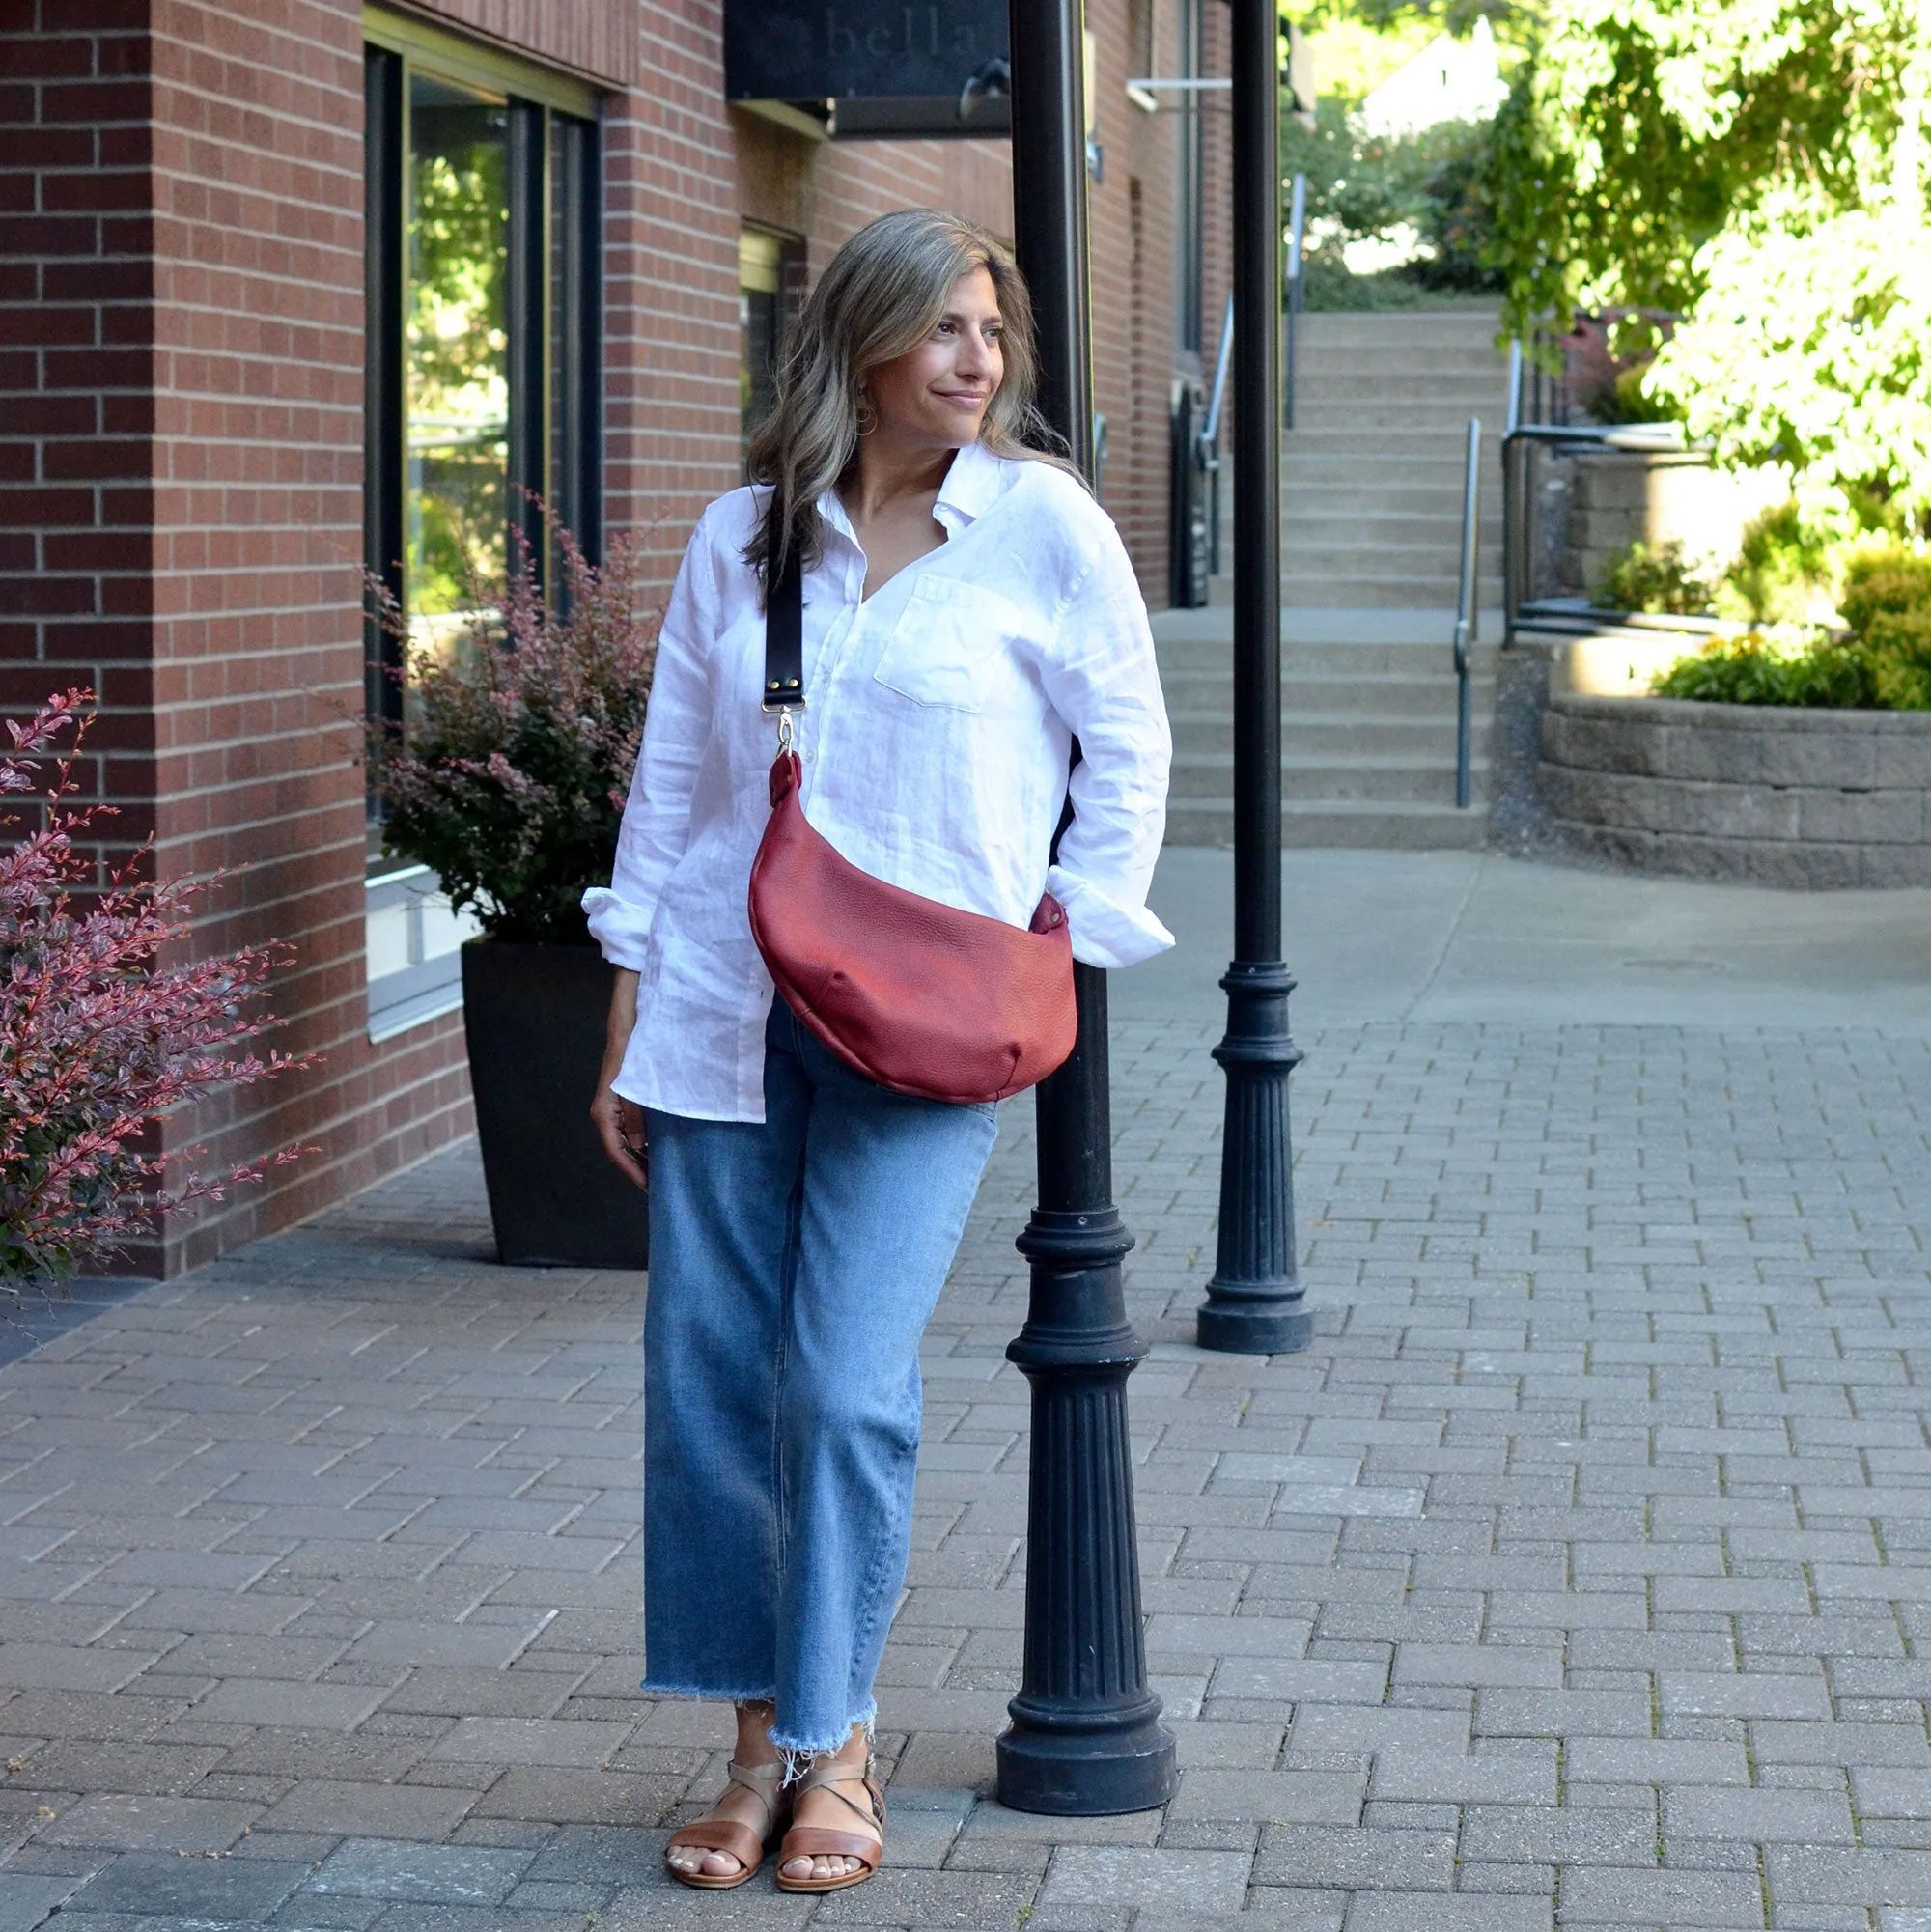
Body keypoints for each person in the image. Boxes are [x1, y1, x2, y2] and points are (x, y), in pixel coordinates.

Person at [583, 207, 1173, 1896]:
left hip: (927, 1019)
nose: (977, 361)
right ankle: (758, 1743)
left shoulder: (1041, 526)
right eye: (943, 330)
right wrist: (629, 982)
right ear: (857, 345)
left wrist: (1067, 923)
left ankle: (837, 1737)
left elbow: (1126, 741)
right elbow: (677, 782)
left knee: (841, 1388)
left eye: (993, 332)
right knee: (709, 1393)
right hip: (726, 1004)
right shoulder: (745, 539)